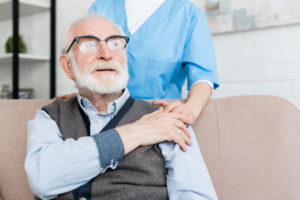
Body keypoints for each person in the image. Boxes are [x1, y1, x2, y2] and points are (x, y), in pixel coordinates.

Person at [25, 15, 218, 199]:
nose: (106, 54)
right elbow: (42, 179)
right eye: (89, 44)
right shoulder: (49, 116)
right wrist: (139, 131)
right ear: (68, 66)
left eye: (115, 43)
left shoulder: (166, 119)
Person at [55, 0, 219, 124]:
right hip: (103, 115)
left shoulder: (187, 13)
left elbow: (202, 76)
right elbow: (89, 61)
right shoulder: (102, 6)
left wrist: (191, 108)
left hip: (158, 116)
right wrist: (86, 94)